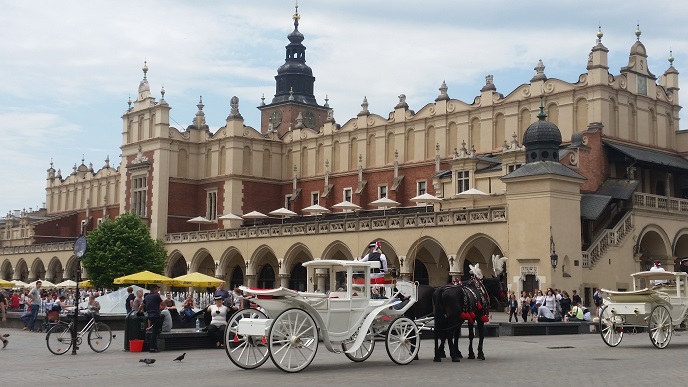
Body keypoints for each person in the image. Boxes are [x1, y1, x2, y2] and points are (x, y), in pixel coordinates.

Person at [140, 284, 163, 353]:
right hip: (156, 316)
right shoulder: (157, 296)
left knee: (154, 331)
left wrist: (138, 312)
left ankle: (154, 347)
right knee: (155, 333)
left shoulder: (147, 297)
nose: (158, 291)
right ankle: (152, 348)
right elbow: (163, 304)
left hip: (149, 316)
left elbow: (141, 305)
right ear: (155, 289)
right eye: (157, 289)